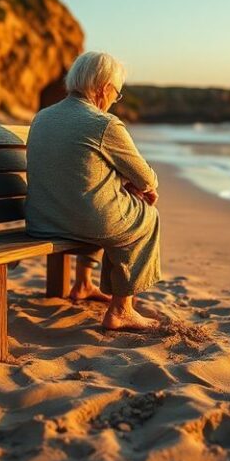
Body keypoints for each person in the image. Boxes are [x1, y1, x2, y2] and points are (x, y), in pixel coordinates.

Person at [24, 51, 161, 331]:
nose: (114, 100)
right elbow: (147, 178)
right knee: (146, 217)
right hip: (79, 220)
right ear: (104, 88)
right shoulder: (103, 124)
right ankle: (122, 310)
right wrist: (139, 187)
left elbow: (76, 170)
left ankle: (83, 283)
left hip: (41, 220)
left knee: (103, 198)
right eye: (117, 94)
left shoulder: (42, 117)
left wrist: (122, 184)